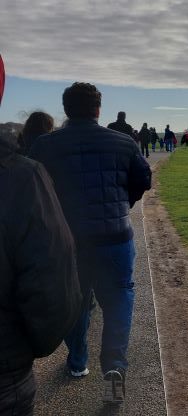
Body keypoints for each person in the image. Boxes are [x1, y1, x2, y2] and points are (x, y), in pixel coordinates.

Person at [30, 82, 151, 405]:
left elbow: (35, 190)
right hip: (115, 236)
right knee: (120, 299)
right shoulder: (123, 142)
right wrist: (122, 203)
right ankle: (114, 367)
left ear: (67, 109)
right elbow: (143, 180)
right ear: (98, 109)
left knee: (76, 301)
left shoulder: (45, 146)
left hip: (70, 240)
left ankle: (78, 362)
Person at [0, 56, 81, 415]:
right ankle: (81, 357)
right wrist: (28, 347)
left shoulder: (34, 157)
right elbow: (50, 286)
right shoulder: (20, 175)